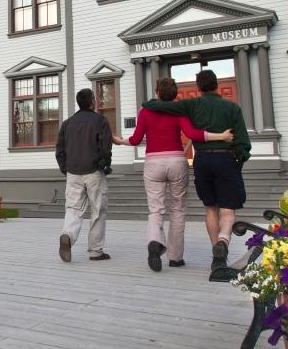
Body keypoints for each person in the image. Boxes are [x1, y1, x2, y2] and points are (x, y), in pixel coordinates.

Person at [112, 77, 233, 272]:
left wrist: (120, 141)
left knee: (156, 209)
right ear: (175, 93)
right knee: (177, 210)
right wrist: (221, 136)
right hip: (176, 161)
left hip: (153, 163)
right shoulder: (179, 110)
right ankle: (176, 257)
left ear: (157, 92)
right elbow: (192, 134)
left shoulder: (145, 111)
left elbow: (135, 140)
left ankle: (154, 241)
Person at [143, 69, 250, 270]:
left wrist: (147, 104)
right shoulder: (232, 108)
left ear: (198, 87)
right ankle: (223, 242)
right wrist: (238, 162)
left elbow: (160, 104)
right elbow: (244, 144)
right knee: (227, 211)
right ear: (216, 84)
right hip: (226, 160)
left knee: (211, 208)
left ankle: (215, 253)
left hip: (201, 160)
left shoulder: (191, 105)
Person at [54, 87, 113, 263]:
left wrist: (65, 168)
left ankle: (67, 235)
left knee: (73, 209)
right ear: (92, 101)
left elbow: (60, 149)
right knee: (98, 210)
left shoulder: (67, 123)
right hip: (94, 171)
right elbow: (106, 146)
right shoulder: (100, 121)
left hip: (73, 172)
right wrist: (105, 163)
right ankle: (95, 251)